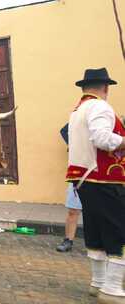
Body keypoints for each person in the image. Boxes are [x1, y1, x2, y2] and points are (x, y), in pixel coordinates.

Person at [66, 68, 125, 301]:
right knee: (116, 229)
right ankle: (111, 288)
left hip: (84, 178)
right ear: (106, 87)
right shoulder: (100, 107)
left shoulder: (78, 110)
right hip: (104, 178)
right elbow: (101, 139)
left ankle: (98, 282)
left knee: (96, 229)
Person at [56, 123, 82, 252]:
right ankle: (68, 240)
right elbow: (64, 130)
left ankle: (101, 243)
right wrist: (73, 144)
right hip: (78, 172)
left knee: (98, 212)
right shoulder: (78, 117)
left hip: (98, 174)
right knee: (73, 210)